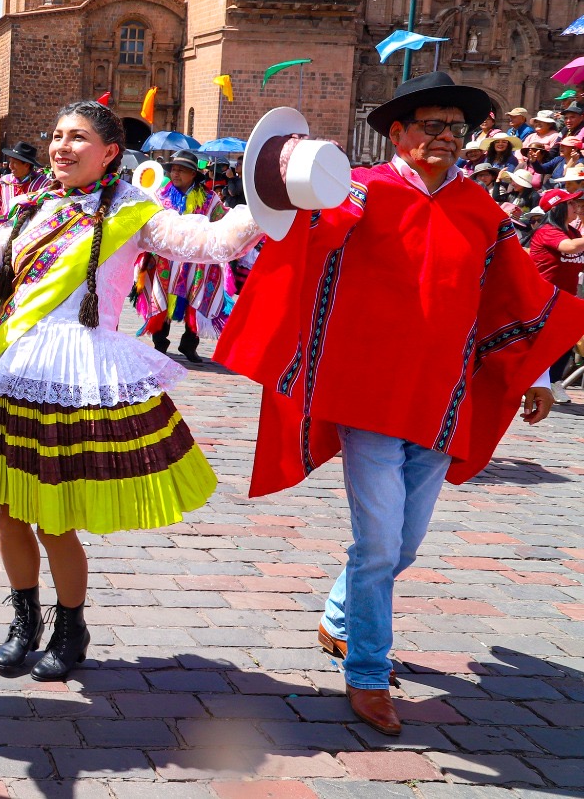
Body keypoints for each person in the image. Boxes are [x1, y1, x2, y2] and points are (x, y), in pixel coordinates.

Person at [216, 70, 584, 737]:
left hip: (444, 399)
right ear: (397, 133)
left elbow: (516, 298)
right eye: (432, 126)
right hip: (369, 398)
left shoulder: (483, 211)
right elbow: (292, 245)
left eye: (457, 128)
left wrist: (539, 375)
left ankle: (338, 616)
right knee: (381, 543)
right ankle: (366, 671)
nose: (446, 138)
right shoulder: (355, 192)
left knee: (402, 545)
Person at [0, 101, 261, 682]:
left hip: (72, 377)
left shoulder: (134, 212)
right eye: (55, 135)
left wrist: (268, 202)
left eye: (77, 137)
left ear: (109, 153)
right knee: (6, 512)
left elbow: (211, 244)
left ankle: (70, 627)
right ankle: (23, 620)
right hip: (10, 369)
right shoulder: (32, 207)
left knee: (53, 517)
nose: (61, 147)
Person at [135, 150, 235, 363]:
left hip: (197, 260)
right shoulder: (160, 195)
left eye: (181, 170)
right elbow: (150, 222)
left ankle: (190, 345)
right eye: (173, 170)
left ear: (193, 174)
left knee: (195, 299)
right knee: (162, 297)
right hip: (165, 259)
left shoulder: (209, 199)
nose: (176, 174)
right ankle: (160, 343)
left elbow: (222, 222)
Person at [527, 188, 584, 401]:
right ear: (558, 208)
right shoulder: (547, 231)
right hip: (542, 299)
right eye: (570, 203)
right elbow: (568, 248)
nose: (576, 206)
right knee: (542, 344)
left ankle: (551, 381)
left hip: (565, 300)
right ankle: (535, 383)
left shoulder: (574, 233)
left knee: (567, 340)